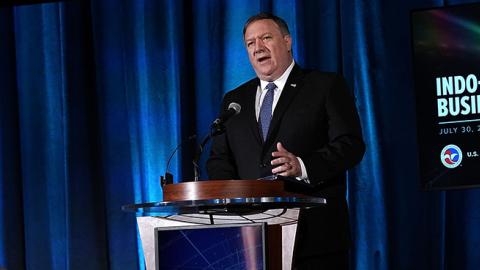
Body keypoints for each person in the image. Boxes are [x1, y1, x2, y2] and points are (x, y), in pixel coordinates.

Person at [207, 13, 365, 269]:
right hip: (252, 241)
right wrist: (234, 195)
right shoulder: (235, 100)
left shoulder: (324, 85)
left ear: (287, 41)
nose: (258, 47)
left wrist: (303, 166)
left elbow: (350, 144)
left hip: (314, 240)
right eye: (250, 43)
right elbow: (219, 159)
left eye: (266, 38)